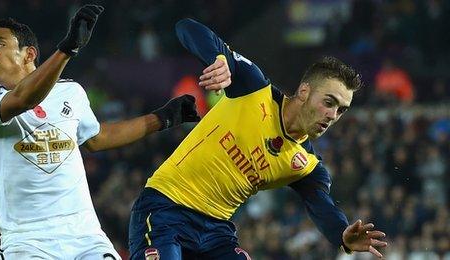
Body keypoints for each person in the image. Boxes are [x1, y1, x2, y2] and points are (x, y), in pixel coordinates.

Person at [0, 6, 229, 260]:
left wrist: (163, 118)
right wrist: (67, 49)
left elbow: (97, 138)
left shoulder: (71, 92)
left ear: (29, 54)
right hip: (27, 242)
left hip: (85, 236)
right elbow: (23, 99)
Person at [128, 18, 388, 259]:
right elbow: (186, 27)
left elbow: (322, 205)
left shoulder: (306, 165)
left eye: (341, 110)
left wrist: (341, 234)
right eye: (329, 102)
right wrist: (218, 59)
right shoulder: (253, 89)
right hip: (165, 208)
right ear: (304, 92)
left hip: (215, 233)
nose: (333, 115)